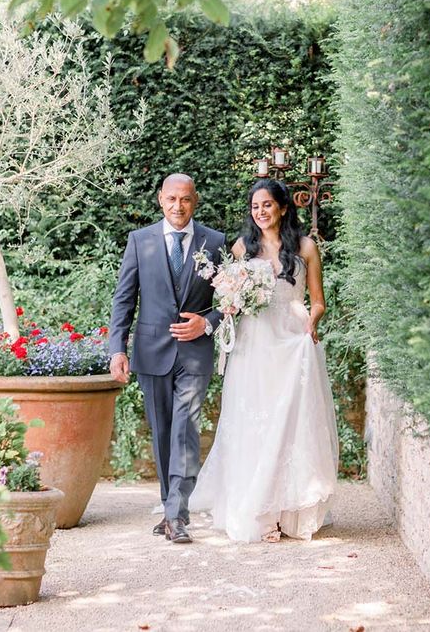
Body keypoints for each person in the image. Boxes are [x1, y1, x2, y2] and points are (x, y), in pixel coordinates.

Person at [190, 179, 339, 543]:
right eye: (255, 206)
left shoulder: (306, 248)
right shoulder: (243, 247)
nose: (261, 212)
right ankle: (259, 509)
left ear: (283, 208)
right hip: (253, 346)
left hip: (291, 342)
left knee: (289, 424)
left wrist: (311, 321)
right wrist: (230, 300)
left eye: (267, 205)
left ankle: (289, 508)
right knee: (253, 424)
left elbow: (318, 299)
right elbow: (227, 295)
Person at [109, 173, 225, 544]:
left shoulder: (216, 242)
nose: (179, 206)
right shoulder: (139, 241)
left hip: (195, 354)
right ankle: (168, 504)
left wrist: (206, 323)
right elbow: (124, 299)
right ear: (161, 199)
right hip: (150, 351)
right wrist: (117, 349)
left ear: (196, 201)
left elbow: (230, 301)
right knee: (161, 431)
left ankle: (177, 515)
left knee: (185, 428)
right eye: (172, 199)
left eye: (186, 200)